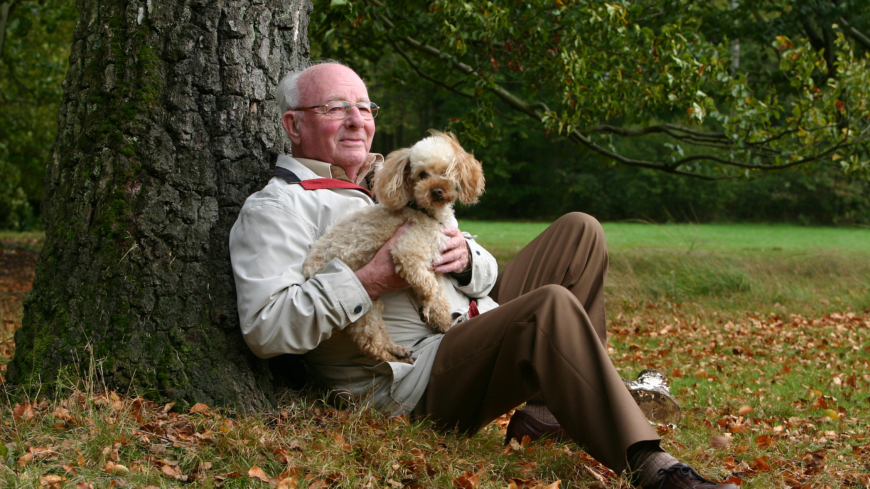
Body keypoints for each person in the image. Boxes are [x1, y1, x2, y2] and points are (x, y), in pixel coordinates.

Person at [229, 62, 737, 489]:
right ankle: (652, 465)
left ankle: (545, 415)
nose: (357, 120)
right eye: (336, 108)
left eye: (364, 107)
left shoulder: (398, 177)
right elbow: (265, 328)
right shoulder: (279, 207)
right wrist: (371, 280)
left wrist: (469, 260)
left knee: (579, 232)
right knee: (548, 307)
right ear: (294, 125)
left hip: (469, 320)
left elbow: (482, 271)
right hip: (413, 379)